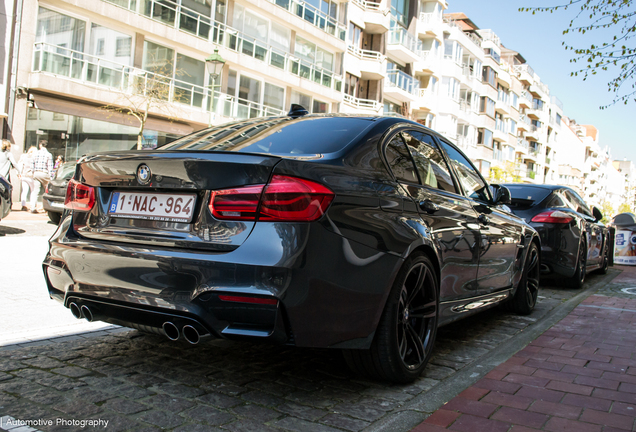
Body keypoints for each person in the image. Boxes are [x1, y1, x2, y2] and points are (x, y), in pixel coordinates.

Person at [31, 139, 53, 214]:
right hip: (44, 173)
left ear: (40, 145)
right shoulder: (48, 154)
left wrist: (33, 172)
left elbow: (32, 164)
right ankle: (47, 208)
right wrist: (51, 177)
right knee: (47, 191)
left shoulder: (35, 153)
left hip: (36, 173)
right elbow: (50, 167)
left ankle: (33, 207)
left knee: (35, 191)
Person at [17, 146, 37, 211]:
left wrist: (19, 173)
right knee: (33, 191)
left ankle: (23, 205)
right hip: (31, 176)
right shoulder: (34, 157)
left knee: (24, 191)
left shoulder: (24, 156)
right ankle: (32, 205)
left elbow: (20, 165)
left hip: (24, 175)